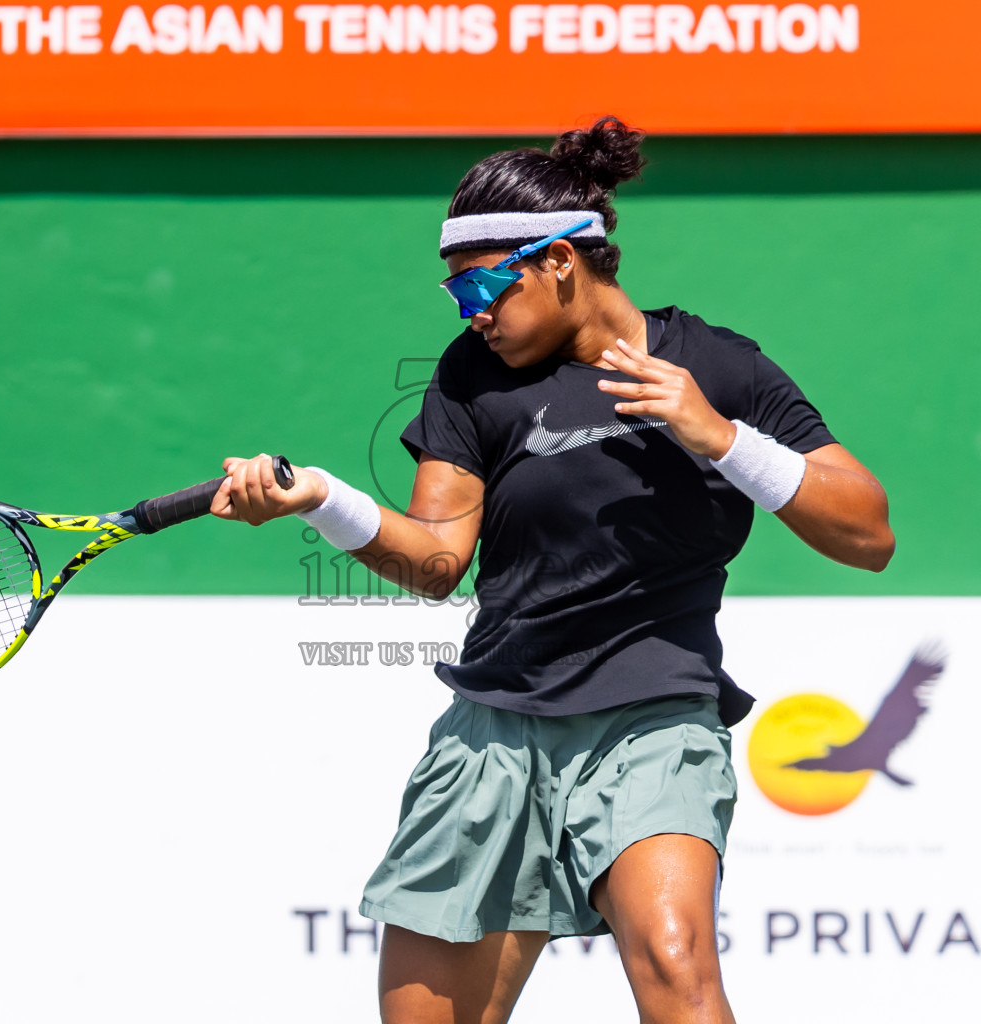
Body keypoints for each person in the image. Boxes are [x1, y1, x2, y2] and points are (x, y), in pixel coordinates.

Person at [212, 116, 894, 1024]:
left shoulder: (715, 367)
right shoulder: (468, 381)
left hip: (656, 721)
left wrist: (722, 439)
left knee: (678, 963)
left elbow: (868, 533)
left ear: (561, 261)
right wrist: (323, 499)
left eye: (486, 288)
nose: (474, 314)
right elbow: (436, 562)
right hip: (495, 733)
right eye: (458, 297)